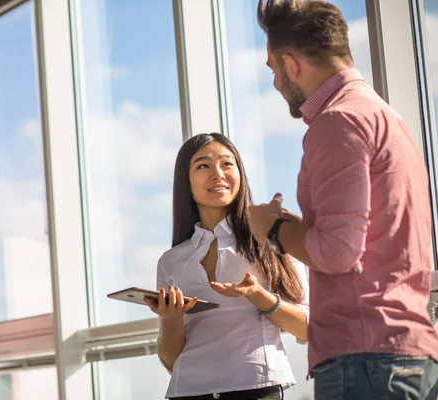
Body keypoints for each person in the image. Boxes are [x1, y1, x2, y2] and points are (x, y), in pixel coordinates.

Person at [246, 1, 438, 399]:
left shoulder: (338, 122)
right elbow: (367, 241)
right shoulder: (385, 117)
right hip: (401, 354)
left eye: (274, 70)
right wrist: (301, 228)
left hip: (364, 360)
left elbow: (336, 252)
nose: (277, 84)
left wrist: (273, 229)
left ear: (292, 64)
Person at [145, 133, 309, 400]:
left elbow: (307, 327)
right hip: (189, 392)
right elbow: (172, 360)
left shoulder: (271, 238)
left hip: (258, 386)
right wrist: (170, 317)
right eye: (203, 166)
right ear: (185, 181)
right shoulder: (171, 261)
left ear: (240, 174)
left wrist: (258, 296)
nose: (218, 174)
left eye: (226, 164)